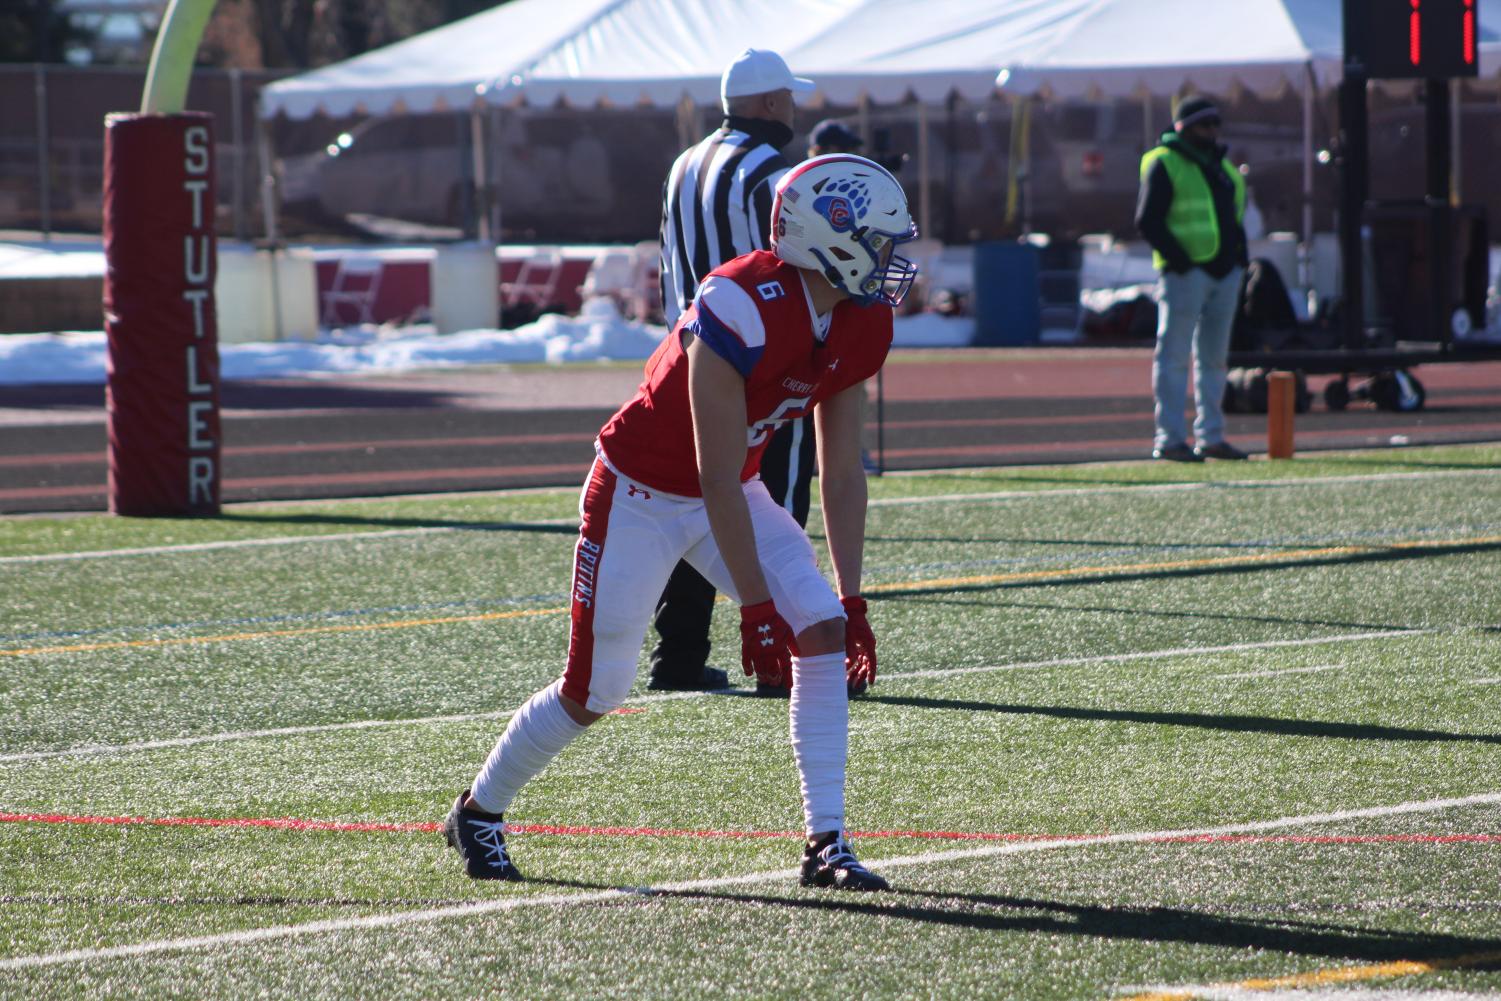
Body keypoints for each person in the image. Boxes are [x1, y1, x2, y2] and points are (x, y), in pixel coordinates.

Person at [442, 153, 920, 891]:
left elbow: (842, 465)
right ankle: (479, 809)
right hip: (638, 493)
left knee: (821, 627)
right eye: (883, 242)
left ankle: (826, 843)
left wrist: (851, 596)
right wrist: (757, 609)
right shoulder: (738, 303)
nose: (893, 262)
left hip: (729, 488)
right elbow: (709, 470)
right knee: (593, 690)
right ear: (834, 238)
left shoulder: (861, 321)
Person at [649, 48, 814, 695]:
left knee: (697, 505)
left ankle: (678, 657)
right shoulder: (770, 169)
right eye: (789, 99)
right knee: (778, 506)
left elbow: (666, 266)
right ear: (771, 103)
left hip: (690, 356)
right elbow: (795, 260)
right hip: (762, 362)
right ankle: (788, 651)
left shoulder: (682, 164)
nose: (793, 110)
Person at [1136, 95, 1250, 462]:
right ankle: (1169, 439)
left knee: (1214, 360)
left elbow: (1233, 218)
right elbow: (1148, 220)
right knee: (1174, 358)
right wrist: (1182, 262)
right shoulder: (1165, 162)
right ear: (1184, 127)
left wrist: (1238, 261)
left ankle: (1211, 435)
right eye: (1204, 125)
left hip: (1223, 272)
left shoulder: (1221, 165)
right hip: (1187, 274)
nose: (1212, 132)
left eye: (1216, 124)